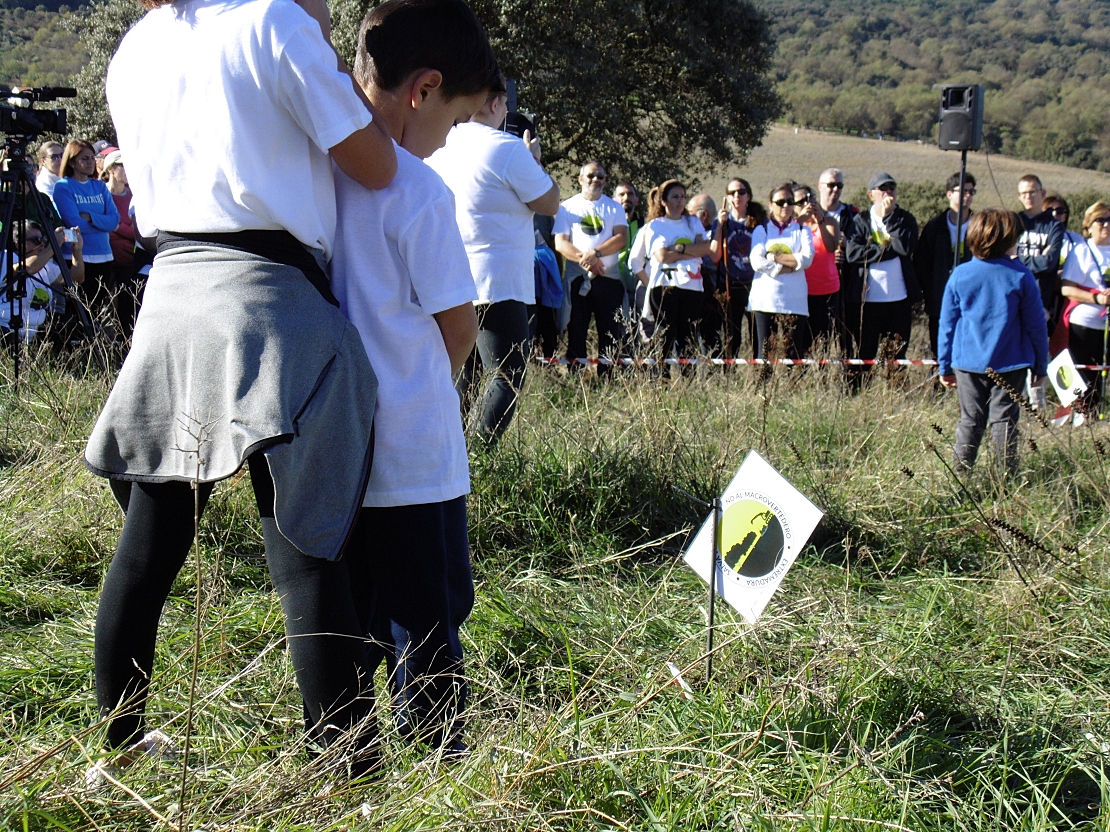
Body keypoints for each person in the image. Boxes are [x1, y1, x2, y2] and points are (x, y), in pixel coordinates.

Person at [84, 0, 398, 783]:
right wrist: (321, 36)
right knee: (307, 546)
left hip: (170, 297)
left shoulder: (139, 44)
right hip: (269, 296)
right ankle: (345, 764)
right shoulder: (273, 24)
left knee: (148, 550)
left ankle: (118, 747)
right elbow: (377, 163)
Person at [331, 0, 496, 755]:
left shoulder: (314, 170)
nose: (451, 140)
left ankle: (348, 745)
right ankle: (437, 754)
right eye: (459, 120)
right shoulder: (420, 191)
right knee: (432, 609)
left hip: (329, 442)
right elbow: (459, 328)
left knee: (350, 609)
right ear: (424, 89)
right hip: (414, 448)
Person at [427, 75, 559, 441]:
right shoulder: (507, 147)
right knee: (507, 378)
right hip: (496, 282)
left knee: (462, 378)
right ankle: (477, 461)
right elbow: (549, 202)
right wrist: (534, 161)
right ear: (496, 103)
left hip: (448, 279)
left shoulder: (440, 145)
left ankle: (449, 457)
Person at [938, 208, 1049, 474]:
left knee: (970, 421)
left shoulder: (960, 275)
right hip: (1011, 365)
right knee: (1005, 422)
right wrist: (1040, 367)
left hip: (967, 365)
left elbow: (947, 325)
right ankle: (1005, 481)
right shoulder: (1022, 277)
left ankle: (960, 478)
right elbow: (1037, 328)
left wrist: (944, 365)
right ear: (1009, 240)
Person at [554, 162, 628, 376]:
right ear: (580, 179)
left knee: (611, 332)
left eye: (601, 177)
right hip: (578, 278)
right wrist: (588, 261)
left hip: (608, 279)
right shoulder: (566, 207)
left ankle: (610, 380)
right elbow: (560, 243)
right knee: (576, 329)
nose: (595, 180)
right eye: (591, 176)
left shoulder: (614, 207)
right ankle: (576, 380)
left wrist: (595, 254)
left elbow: (621, 238)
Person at [844, 172, 920, 374]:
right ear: (871, 195)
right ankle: (859, 396)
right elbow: (853, 254)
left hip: (899, 300)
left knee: (896, 357)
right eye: (882, 189)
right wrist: (887, 250)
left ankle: (893, 398)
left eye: (891, 188)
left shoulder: (905, 219)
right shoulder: (861, 221)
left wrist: (889, 220)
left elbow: (905, 248)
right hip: (867, 301)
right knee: (864, 355)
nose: (888, 193)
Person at [643, 179, 710, 368]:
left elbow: (704, 248)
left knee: (687, 336)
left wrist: (678, 248)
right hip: (665, 285)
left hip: (691, 286)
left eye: (683, 197)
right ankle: (662, 380)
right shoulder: (656, 225)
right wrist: (691, 249)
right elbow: (662, 255)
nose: (680, 201)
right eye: (675, 197)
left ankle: (687, 382)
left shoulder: (693, 222)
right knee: (666, 335)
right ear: (663, 200)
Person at [53, 139, 120, 327]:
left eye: (92, 157)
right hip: (78, 258)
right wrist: (101, 222)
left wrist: (90, 216)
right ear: (72, 162)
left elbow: (114, 220)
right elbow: (74, 223)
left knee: (98, 313)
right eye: (84, 158)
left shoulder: (99, 186)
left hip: (104, 256)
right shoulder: (63, 187)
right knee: (79, 313)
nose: (91, 162)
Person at [748, 182, 814, 359]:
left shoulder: (803, 230)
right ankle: (763, 388)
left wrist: (772, 256)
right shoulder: (761, 230)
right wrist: (790, 266)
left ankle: (793, 387)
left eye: (790, 201)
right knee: (764, 353)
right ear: (770, 205)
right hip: (764, 301)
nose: (786, 206)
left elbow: (806, 259)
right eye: (780, 202)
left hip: (794, 301)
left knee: (793, 354)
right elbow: (756, 262)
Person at [1058, 201, 1110, 421]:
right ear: (1089, 225)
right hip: (1084, 325)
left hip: (1106, 326)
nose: (1106, 225)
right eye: (1101, 220)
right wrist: (1097, 298)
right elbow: (1067, 288)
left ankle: (1096, 421)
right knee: (1085, 378)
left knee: (1100, 380)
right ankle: (1081, 422)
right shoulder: (1082, 251)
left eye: (1109, 220)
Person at [914, 172, 975, 357]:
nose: (968, 195)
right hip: (939, 302)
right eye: (963, 191)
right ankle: (938, 385)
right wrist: (930, 292)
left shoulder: (980, 225)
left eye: (971, 191)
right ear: (949, 194)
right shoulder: (934, 227)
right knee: (940, 352)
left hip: (972, 301)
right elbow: (921, 263)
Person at [0, 221, 84, 348]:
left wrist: (77, 252)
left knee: (74, 325)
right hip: (6, 330)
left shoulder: (45, 266)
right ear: (18, 243)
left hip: (35, 332)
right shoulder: (6, 258)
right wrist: (53, 245)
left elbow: (75, 279)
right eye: (36, 240)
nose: (42, 244)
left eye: (43, 239)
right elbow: (28, 268)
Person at [793, 183, 841, 350]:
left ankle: (822, 374)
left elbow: (831, 246)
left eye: (808, 199)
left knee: (823, 340)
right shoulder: (793, 226)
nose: (805, 204)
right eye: (800, 202)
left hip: (826, 290)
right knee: (800, 340)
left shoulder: (828, 221)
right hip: (801, 290)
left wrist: (819, 220)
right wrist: (800, 221)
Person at [1015, 174, 1064, 328]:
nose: (1028, 197)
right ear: (1019, 196)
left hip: (1039, 301)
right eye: (1024, 193)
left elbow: (1048, 262)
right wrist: (1039, 258)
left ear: (1042, 193)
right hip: (1013, 296)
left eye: (1032, 192)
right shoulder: (1013, 222)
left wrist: (1017, 259)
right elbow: (1004, 259)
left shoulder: (1054, 226)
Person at [101, 150, 139, 341]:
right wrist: (117, 226)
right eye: (123, 165)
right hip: (106, 257)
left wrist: (117, 226)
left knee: (126, 304)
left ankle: (125, 342)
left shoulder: (133, 195)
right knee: (105, 304)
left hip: (128, 260)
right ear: (111, 169)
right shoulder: (102, 193)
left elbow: (136, 229)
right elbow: (103, 223)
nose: (127, 170)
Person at [613, 179, 643, 318]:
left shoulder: (645, 224)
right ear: (614, 199)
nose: (626, 198)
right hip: (616, 282)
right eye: (621, 194)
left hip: (639, 284)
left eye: (630, 194)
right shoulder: (609, 224)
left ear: (636, 200)